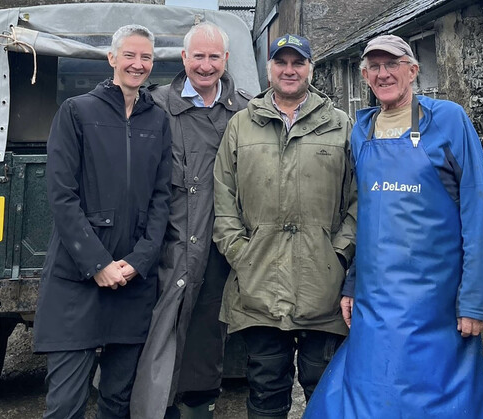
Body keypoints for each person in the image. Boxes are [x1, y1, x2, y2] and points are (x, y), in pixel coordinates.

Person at [304, 34, 483, 418]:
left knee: (436, 396)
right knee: (366, 392)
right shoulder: (362, 131)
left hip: (435, 300)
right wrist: (353, 284)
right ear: (365, 76)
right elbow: (368, 218)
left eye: (392, 64)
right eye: (374, 66)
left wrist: (474, 300)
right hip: (376, 298)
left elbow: (475, 212)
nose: (383, 73)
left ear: (413, 70)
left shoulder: (449, 120)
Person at [212, 34, 357, 419]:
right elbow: (223, 198)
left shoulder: (340, 126)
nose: (289, 70)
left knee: (324, 388)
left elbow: (359, 200)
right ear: (269, 68)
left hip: (321, 285)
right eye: (282, 62)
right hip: (258, 285)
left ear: (312, 68)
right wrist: (241, 253)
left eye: (298, 63)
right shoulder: (241, 125)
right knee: (265, 389)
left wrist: (339, 251)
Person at [33, 24, 172, 419]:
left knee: (118, 402)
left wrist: (140, 261)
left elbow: (162, 200)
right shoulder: (76, 112)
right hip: (77, 281)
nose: (138, 64)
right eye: (129, 55)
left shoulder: (157, 122)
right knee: (66, 405)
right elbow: (62, 197)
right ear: (112, 58)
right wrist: (98, 265)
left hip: (132, 282)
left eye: (145, 57)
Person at [130, 22, 250, 419]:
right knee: (155, 332)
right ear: (183, 58)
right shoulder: (155, 105)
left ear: (226, 61)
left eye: (214, 57)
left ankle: (198, 406)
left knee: (206, 332)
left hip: (219, 244)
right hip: (163, 242)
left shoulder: (245, 111)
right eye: (198, 56)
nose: (205, 65)